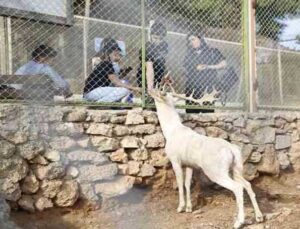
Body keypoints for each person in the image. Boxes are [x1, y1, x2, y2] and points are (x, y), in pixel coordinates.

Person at [183, 31, 238, 113]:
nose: (191, 42)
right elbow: (185, 68)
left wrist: (208, 67)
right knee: (192, 113)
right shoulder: (189, 54)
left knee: (207, 113)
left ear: (200, 39)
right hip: (192, 87)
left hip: (208, 87)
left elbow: (224, 64)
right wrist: (194, 68)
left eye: (193, 39)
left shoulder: (212, 51)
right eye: (189, 41)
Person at [83, 38, 140, 102]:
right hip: (92, 93)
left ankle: (102, 102)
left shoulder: (109, 64)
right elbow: (117, 83)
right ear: (109, 53)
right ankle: (100, 103)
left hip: (95, 93)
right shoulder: (106, 63)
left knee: (123, 90)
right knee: (125, 90)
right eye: (115, 52)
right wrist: (135, 88)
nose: (118, 53)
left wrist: (124, 70)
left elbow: (117, 78)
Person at [137, 21, 168, 92]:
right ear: (150, 36)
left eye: (160, 39)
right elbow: (149, 68)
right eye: (155, 38)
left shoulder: (164, 45)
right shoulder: (147, 48)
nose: (157, 41)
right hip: (146, 78)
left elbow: (162, 62)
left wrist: (166, 75)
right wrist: (150, 88)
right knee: (149, 99)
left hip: (159, 77)